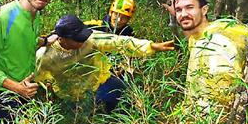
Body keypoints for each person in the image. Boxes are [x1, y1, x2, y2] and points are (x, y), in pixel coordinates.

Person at [35, 14, 175, 113]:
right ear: (62, 39)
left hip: (101, 83)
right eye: (77, 39)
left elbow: (119, 42)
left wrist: (151, 46)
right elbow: (37, 78)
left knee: (127, 100)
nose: (82, 41)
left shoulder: (90, 39)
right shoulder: (46, 55)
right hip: (73, 97)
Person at [162, 0, 248, 116]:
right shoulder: (198, 39)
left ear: (204, 10)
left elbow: (221, 96)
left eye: (189, 8)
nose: (183, 14)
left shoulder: (215, 43)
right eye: (179, 10)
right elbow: (190, 32)